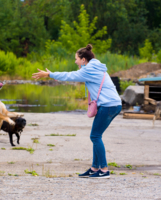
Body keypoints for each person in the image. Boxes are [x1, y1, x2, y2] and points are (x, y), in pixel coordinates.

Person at [32, 44, 122, 179]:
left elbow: (70, 76)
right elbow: (73, 76)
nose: (75, 61)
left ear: (83, 59)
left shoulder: (90, 69)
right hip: (113, 104)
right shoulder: (95, 67)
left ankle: (104, 170)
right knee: (96, 136)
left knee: (95, 136)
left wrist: (49, 74)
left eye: (76, 59)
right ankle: (94, 168)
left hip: (109, 105)